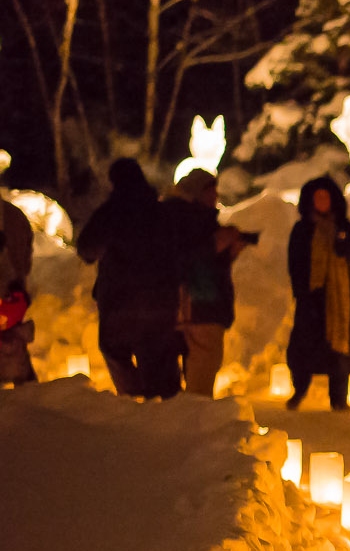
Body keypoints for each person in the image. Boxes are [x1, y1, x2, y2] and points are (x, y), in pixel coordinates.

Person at [75, 159, 185, 399]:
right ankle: (167, 413)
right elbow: (178, 253)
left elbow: (86, 248)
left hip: (120, 303)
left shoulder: (111, 212)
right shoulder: (161, 213)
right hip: (160, 303)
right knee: (159, 361)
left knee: (114, 350)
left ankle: (133, 399)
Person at [166, 169, 253, 397]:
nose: (215, 197)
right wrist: (216, 243)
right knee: (200, 382)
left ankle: (189, 422)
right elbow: (182, 259)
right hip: (197, 307)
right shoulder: (182, 218)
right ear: (197, 193)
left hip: (200, 305)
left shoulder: (197, 219)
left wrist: (229, 252)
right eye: (210, 192)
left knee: (199, 375)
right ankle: (195, 426)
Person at [286, 177, 350, 410]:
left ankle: (339, 398)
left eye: (326, 196)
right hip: (312, 295)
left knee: (338, 346)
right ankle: (299, 390)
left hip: (338, 297)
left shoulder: (343, 226)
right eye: (317, 197)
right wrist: (301, 291)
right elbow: (295, 262)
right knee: (305, 345)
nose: (322, 201)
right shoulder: (302, 229)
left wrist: (345, 248)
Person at [0, 201, 35, 384]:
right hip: (14, 299)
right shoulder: (16, 216)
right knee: (15, 353)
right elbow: (27, 260)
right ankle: (29, 403)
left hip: (8, 293)